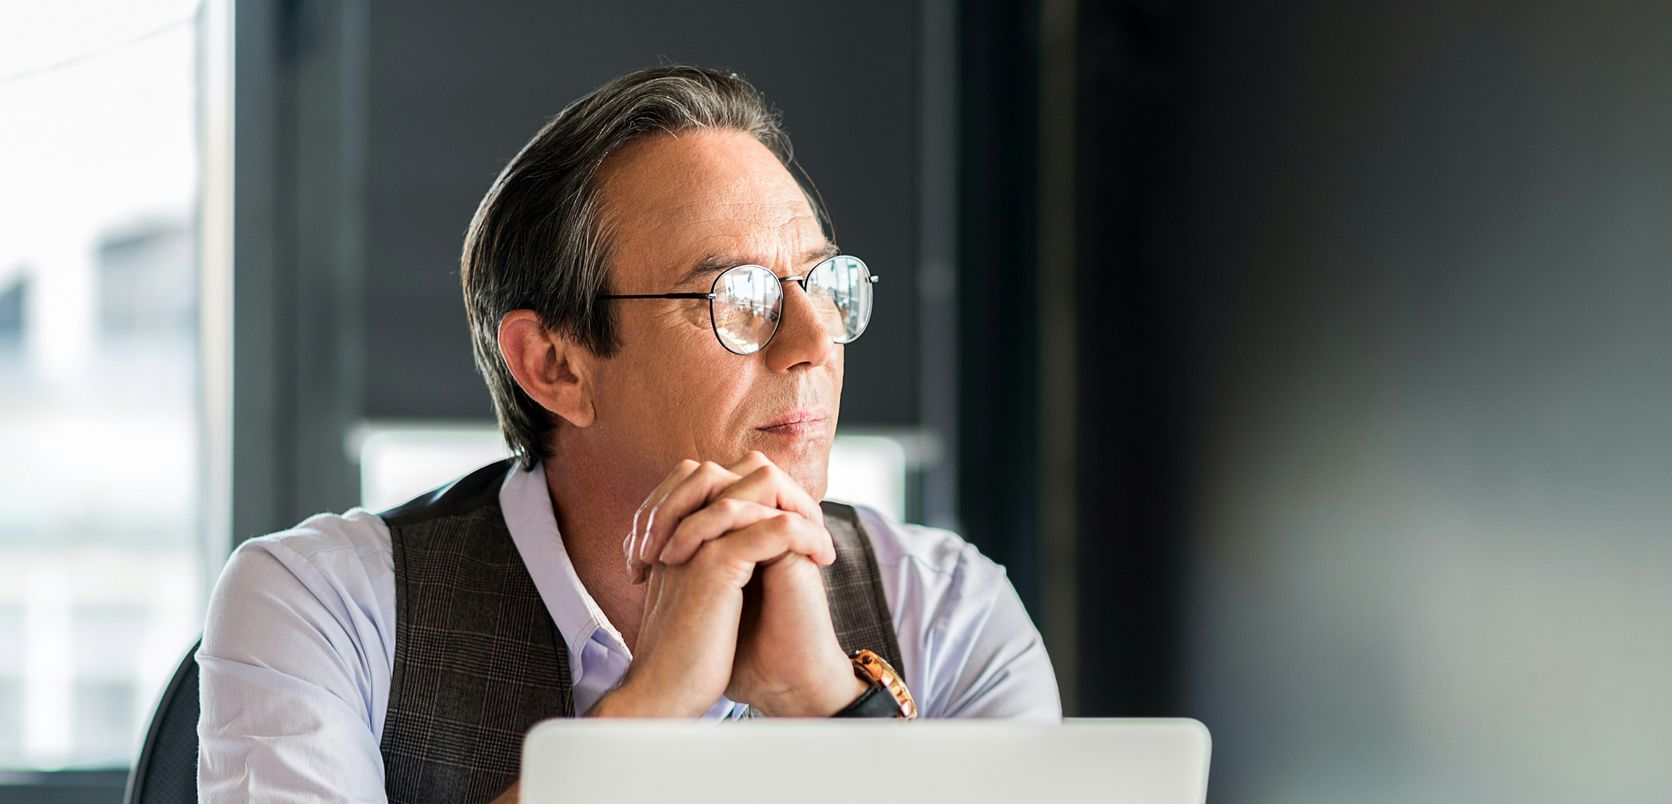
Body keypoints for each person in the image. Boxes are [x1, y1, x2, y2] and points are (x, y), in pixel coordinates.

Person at [197, 64, 1059, 804]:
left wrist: (829, 702)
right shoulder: (324, 605)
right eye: (738, 299)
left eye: (820, 286)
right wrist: (649, 711)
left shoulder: (949, 610)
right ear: (555, 366)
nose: (813, 346)